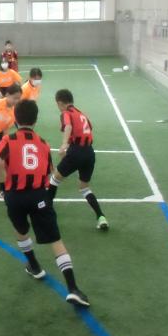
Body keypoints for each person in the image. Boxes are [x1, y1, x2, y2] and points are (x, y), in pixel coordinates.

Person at [0, 99, 89, 306]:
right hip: (38, 196)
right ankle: (73, 288)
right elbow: (49, 173)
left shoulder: (8, 140)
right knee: (55, 240)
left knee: (21, 232)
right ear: (35, 121)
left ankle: (35, 266)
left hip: (14, 197)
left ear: (15, 120)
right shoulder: (43, 144)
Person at [48, 89, 109, 231]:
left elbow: (68, 126)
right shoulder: (82, 114)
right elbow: (87, 130)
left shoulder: (66, 113)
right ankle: (101, 216)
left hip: (76, 151)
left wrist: (64, 144)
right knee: (84, 187)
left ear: (60, 103)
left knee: (54, 180)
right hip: (89, 153)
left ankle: (46, 211)